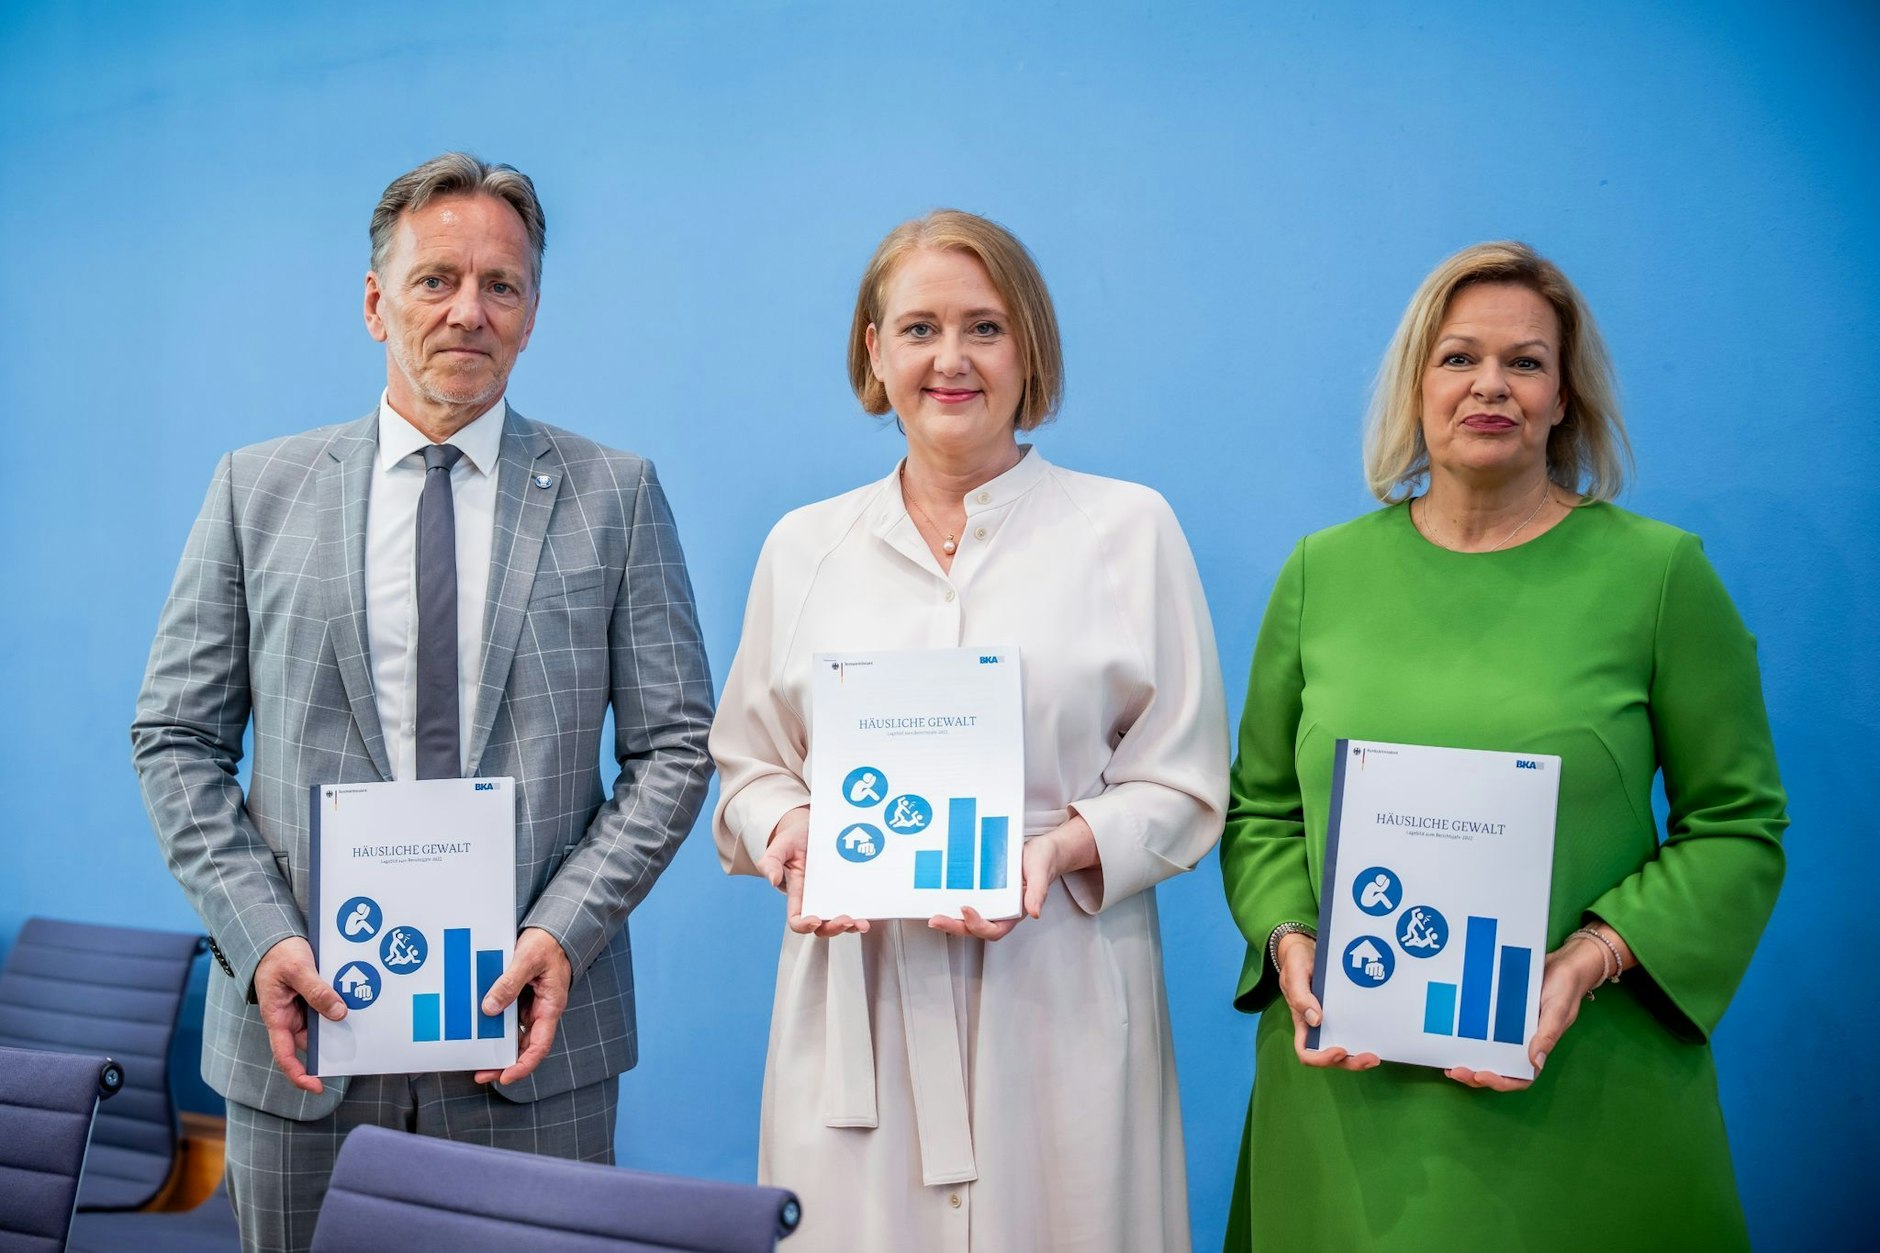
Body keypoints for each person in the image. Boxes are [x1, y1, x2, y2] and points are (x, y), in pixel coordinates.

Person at [131, 152, 714, 1251]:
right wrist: (262, 941)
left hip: (532, 1039)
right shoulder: (257, 489)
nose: (468, 311)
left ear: (532, 313)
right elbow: (174, 737)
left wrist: (562, 928)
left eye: (502, 285)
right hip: (302, 1033)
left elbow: (677, 744)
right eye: (436, 278)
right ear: (373, 303)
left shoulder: (614, 495)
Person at [1219, 241, 1787, 1249]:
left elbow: (1735, 822)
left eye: (1523, 361)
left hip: (1577, 1092)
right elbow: (1261, 808)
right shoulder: (1319, 573)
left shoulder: (1656, 575)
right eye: (1456, 357)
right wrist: (1287, 937)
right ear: (1415, 385)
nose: (1489, 384)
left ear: (1564, 395)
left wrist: (1590, 956)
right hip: (1344, 1102)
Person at [710, 209, 1228, 1252]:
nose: (949, 359)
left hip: (1062, 993)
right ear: (873, 349)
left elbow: (1183, 782)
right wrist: (789, 836)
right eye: (917, 329)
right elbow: (748, 767)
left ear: (1028, 345)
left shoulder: (1127, 530)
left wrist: (1055, 849)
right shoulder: (803, 547)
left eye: (983, 328)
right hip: (855, 999)